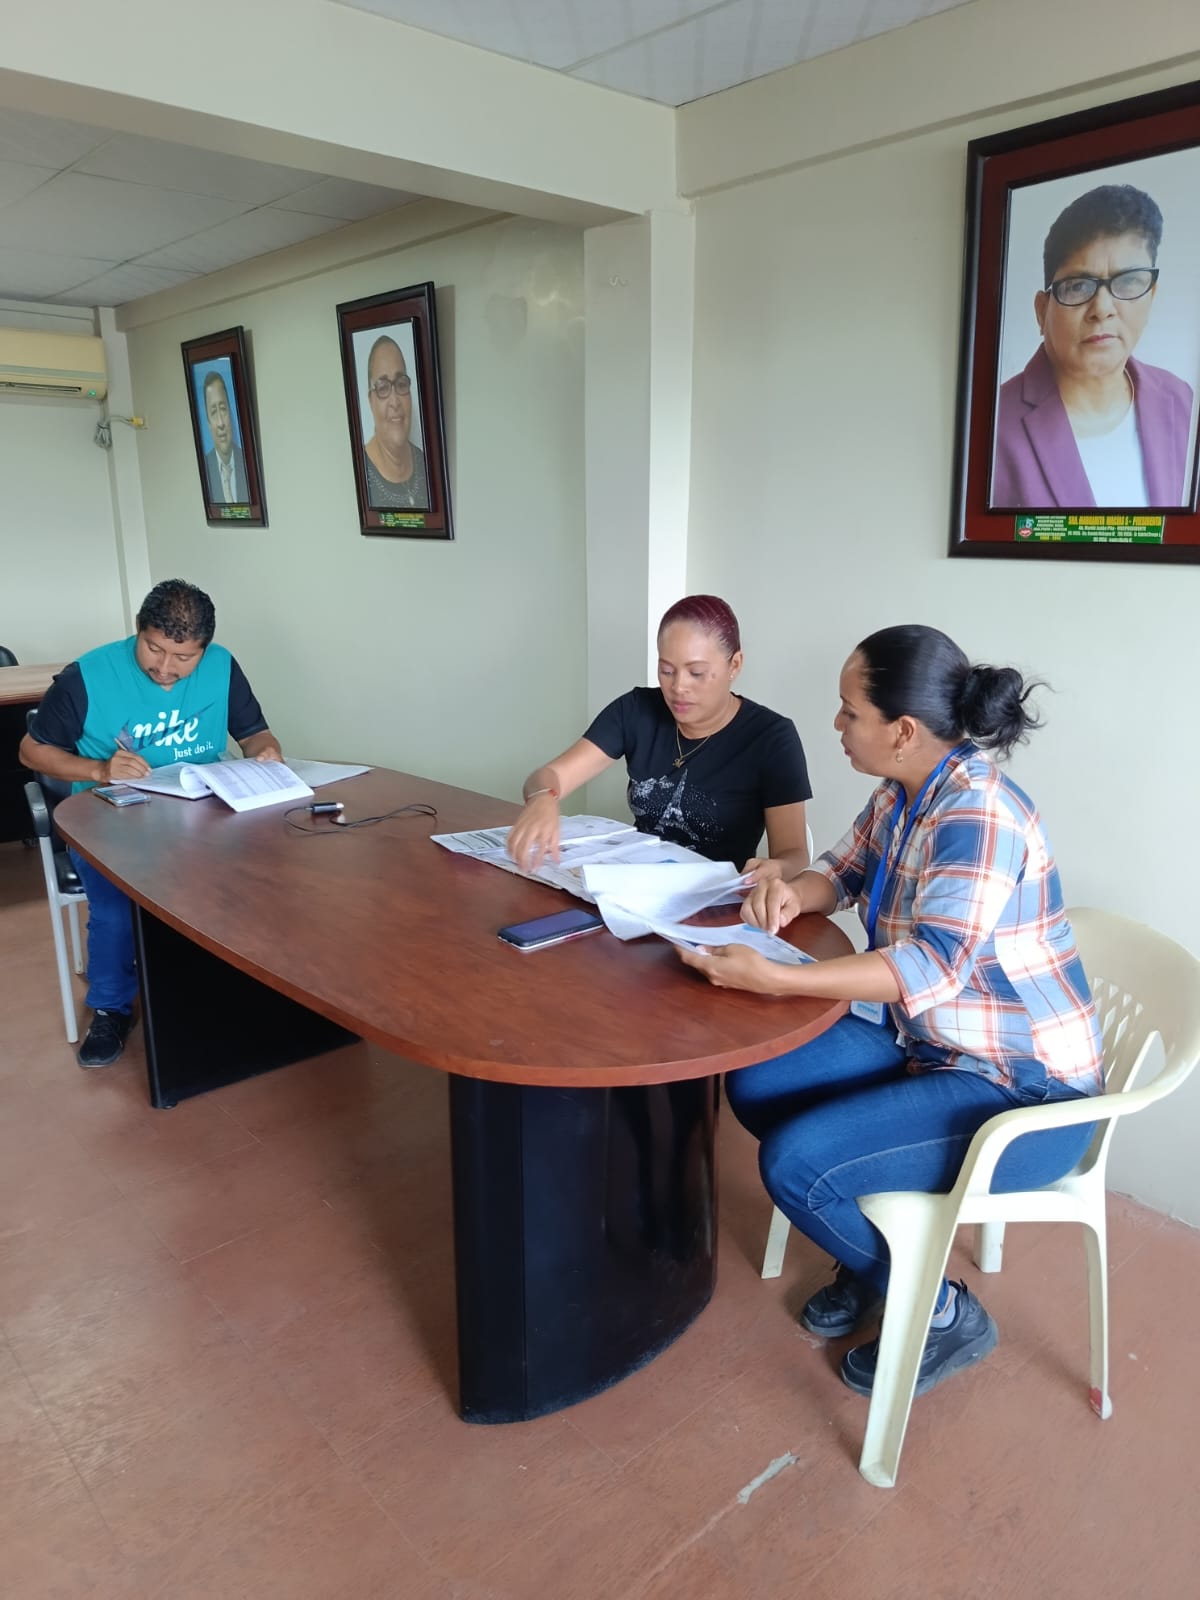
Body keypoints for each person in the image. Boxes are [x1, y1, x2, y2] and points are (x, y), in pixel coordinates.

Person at [677, 625, 1102, 1401]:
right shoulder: (903, 790)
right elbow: (839, 873)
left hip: (1025, 1092)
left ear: (902, 730)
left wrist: (778, 980)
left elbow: (928, 966)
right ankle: (871, 1256)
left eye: (850, 712)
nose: (837, 725)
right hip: (933, 1047)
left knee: (795, 1165)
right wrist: (787, 893)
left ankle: (941, 1311)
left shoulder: (977, 815)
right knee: (759, 1083)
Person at [19, 580, 281, 1069]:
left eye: (184, 657)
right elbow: (31, 751)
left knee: (263, 879)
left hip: (201, 815)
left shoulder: (222, 666)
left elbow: (254, 734)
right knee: (117, 909)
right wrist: (99, 769)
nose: (165, 668)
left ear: (204, 648)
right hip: (108, 818)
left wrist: (264, 752)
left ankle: (235, 993)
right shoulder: (89, 675)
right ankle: (111, 1008)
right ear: (138, 630)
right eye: (154, 649)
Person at [508, 595, 812, 875]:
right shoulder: (636, 710)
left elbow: (794, 855)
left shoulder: (771, 738)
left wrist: (774, 870)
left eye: (696, 673)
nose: (678, 687)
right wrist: (543, 798)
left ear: (734, 665)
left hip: (718, 901)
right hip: (636, 887)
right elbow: (549, 776)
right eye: (667, 670)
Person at [993, 183, 1195, 509]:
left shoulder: (1182, 400)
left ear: (1151, 296)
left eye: (1128, 282)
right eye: (1078, 286)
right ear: (1042, 311)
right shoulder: (993, 427)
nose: (1102, 308)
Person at [362, 335, 429, 510]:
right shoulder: (359, 473)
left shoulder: (427, 464)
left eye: (401, 384)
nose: (395, 401)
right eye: (383, 387)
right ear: (371, 401)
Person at [202, 370, 248, 504]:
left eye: (223, 409)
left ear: (230, 412)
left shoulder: (247, 461)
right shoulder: (204, 469)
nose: (221, 423)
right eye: (214, 412)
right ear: (208, 423)